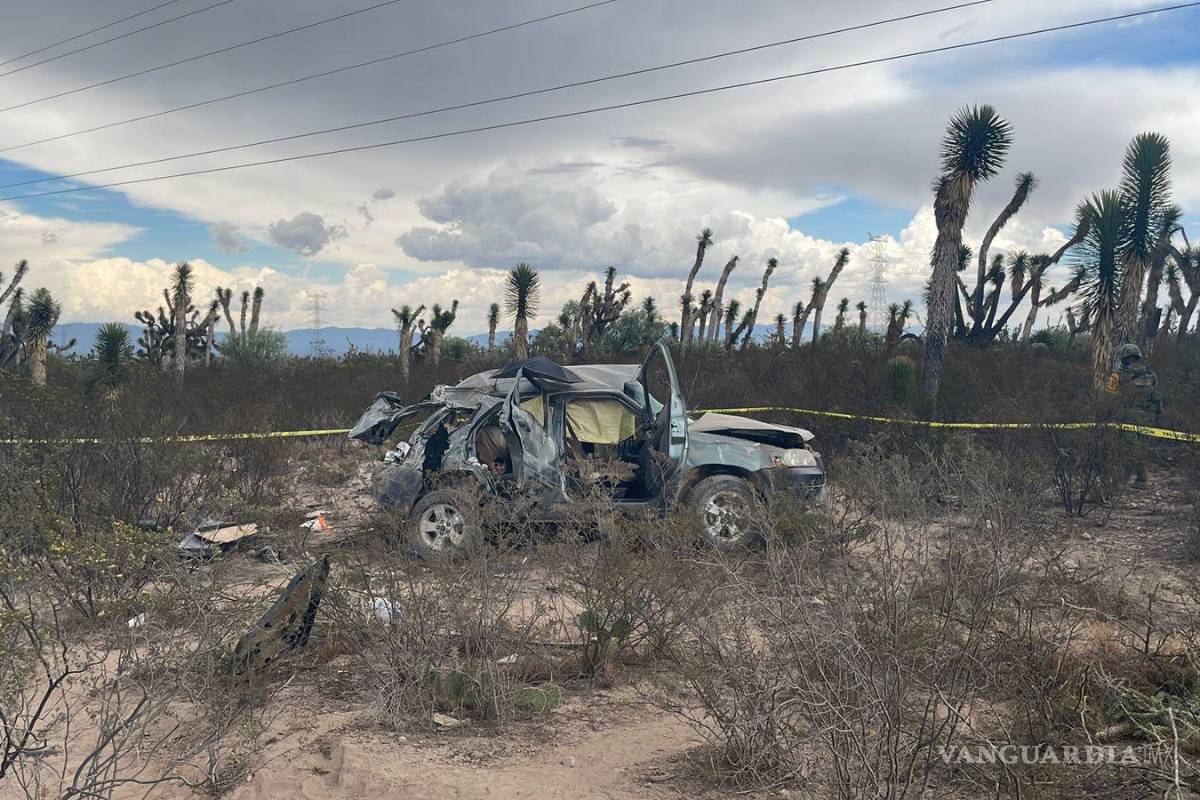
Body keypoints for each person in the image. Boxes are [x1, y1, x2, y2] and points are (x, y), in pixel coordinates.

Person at [1105, 343, 1162, 486]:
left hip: (1128, 416)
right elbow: (1156, 394)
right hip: (1148, 417)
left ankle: (1140, 478)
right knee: (1137, 447)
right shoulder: (1150, 373)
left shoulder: (1117, 375)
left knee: (1129, 447)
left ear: (1124, 357)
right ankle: (1127, 477)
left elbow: (1110, 396)